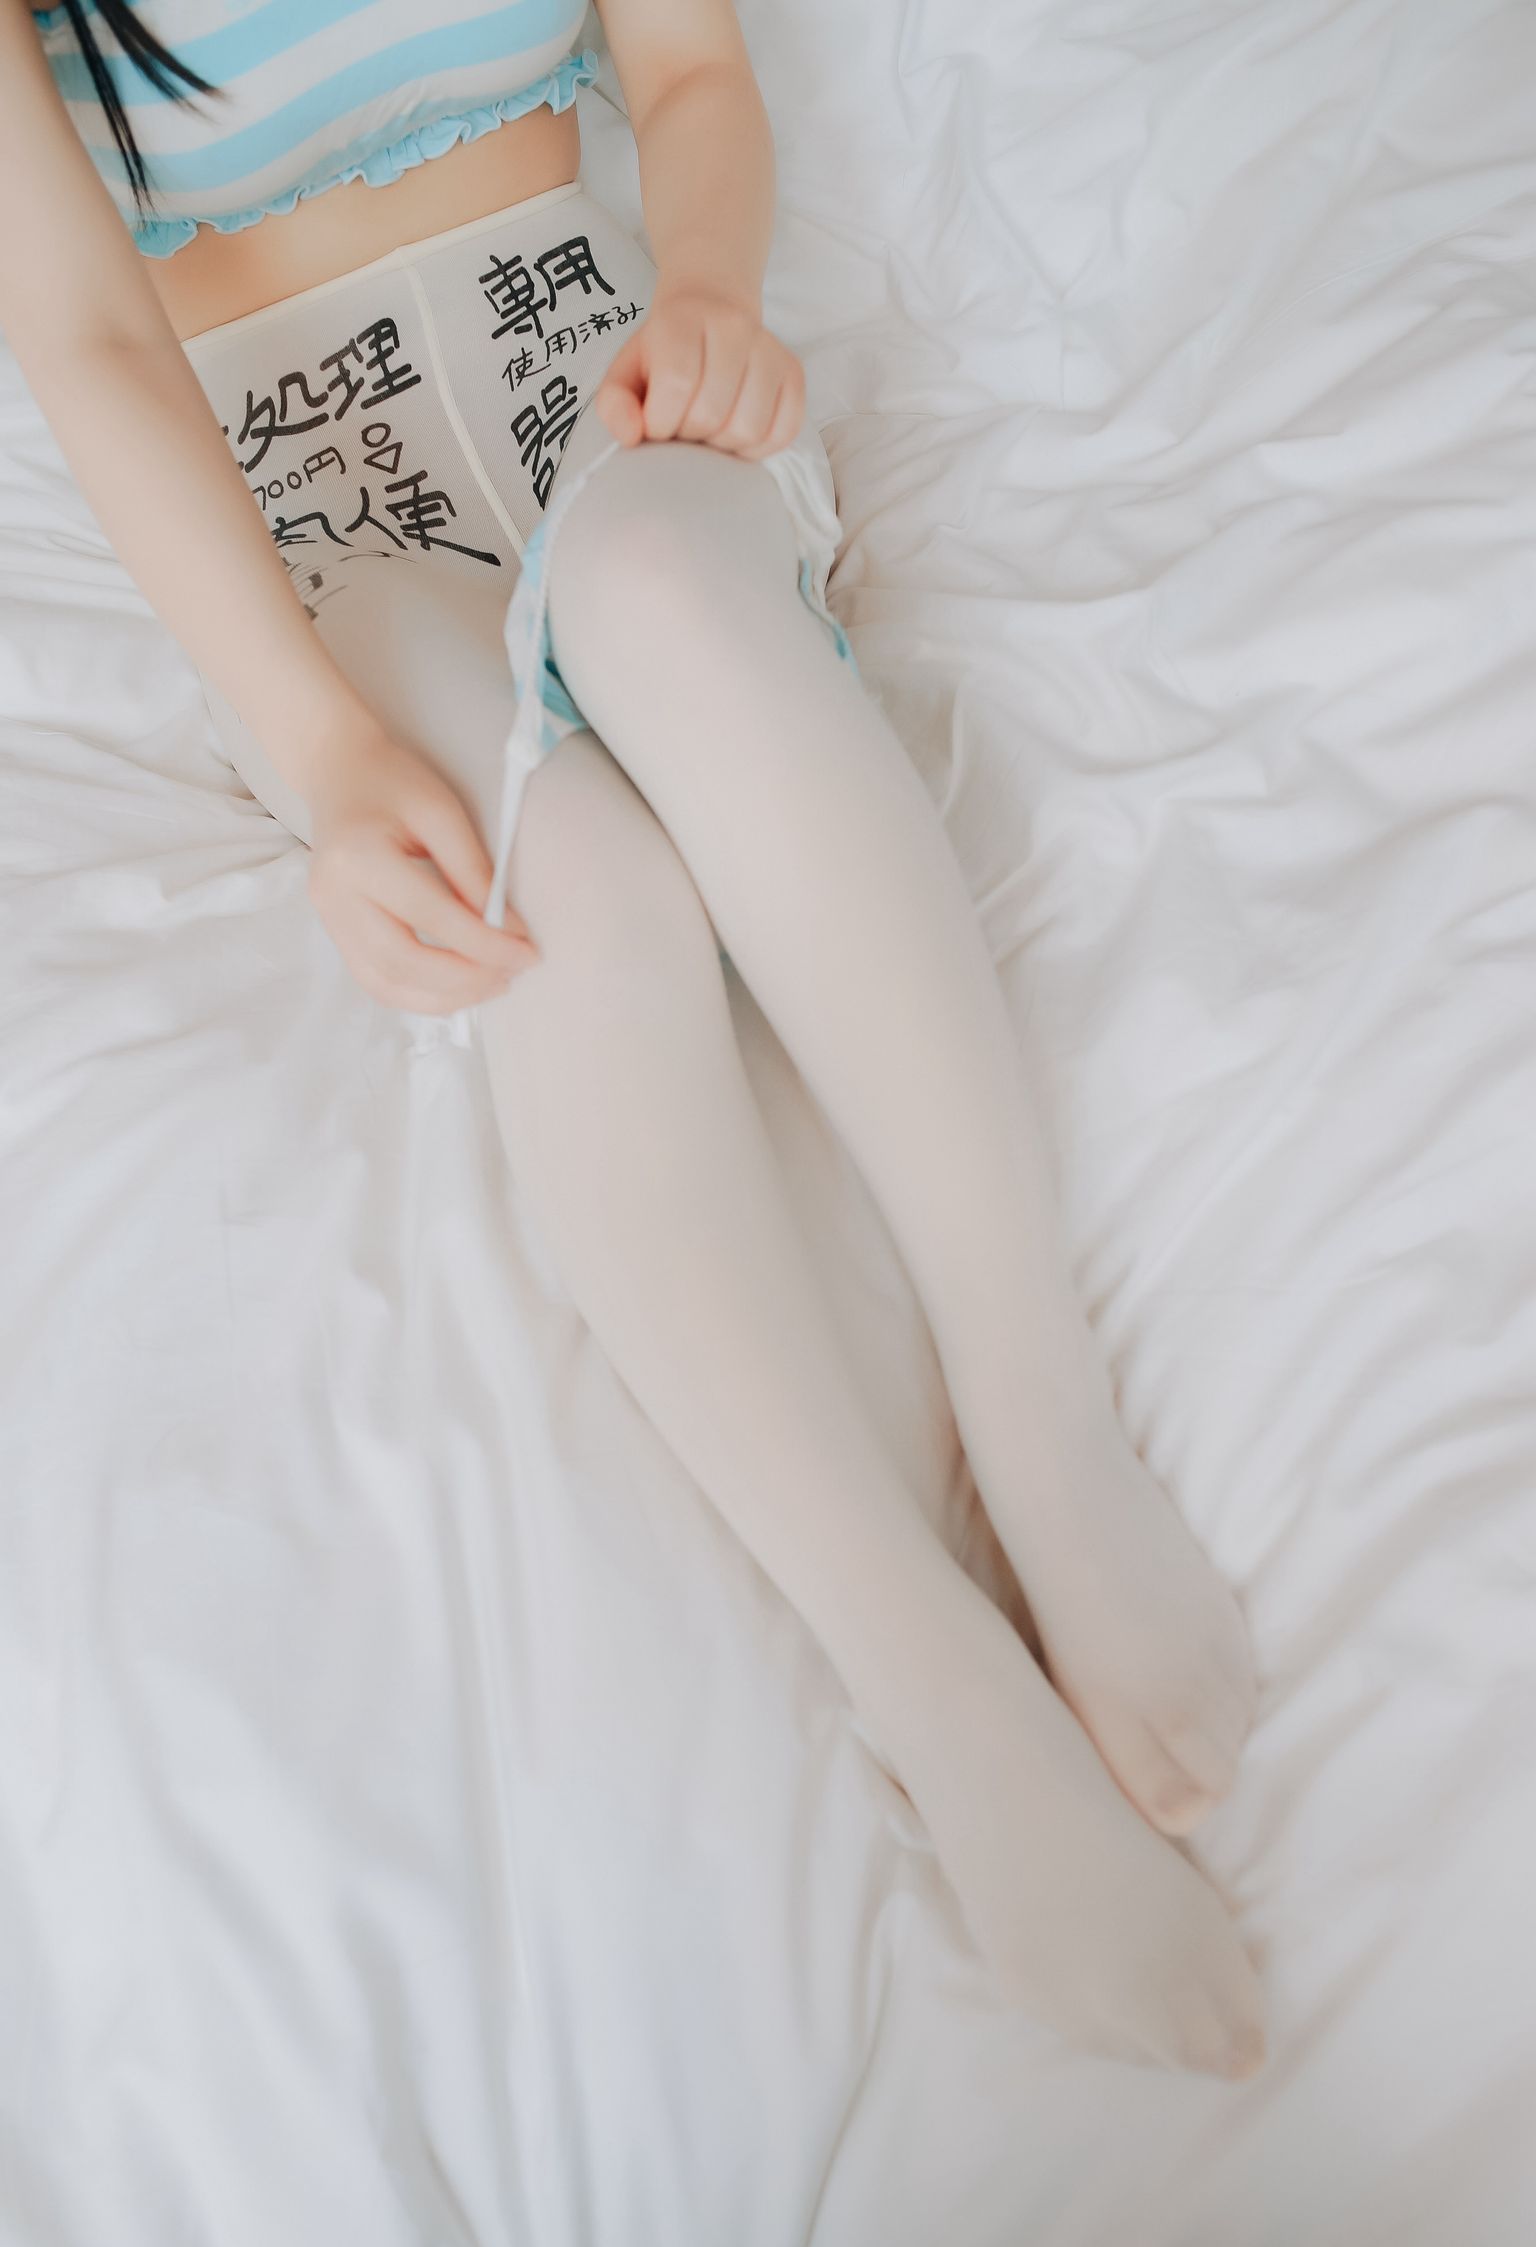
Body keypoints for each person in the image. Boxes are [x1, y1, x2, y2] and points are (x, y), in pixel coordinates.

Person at [0, 0, 1266, 2077]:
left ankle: (1040, 1417)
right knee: (558, 878)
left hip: (603, 364)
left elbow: (688, 77)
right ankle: (923, 1668)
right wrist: (321, 758)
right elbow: (88, 343)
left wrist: (712, 294)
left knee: (666, 590)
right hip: (314, 520)